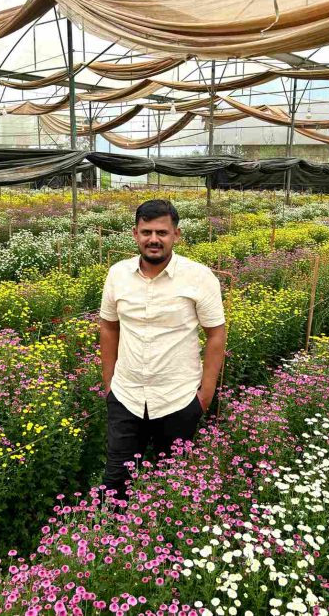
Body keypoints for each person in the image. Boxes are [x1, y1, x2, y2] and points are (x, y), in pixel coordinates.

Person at [99, 199, 226, 501]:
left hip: (178, 400)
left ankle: (162, 543)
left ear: (176, 235)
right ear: (135, 234)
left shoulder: (198, 277)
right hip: (127, 397)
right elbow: (108, 326)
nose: (153, 239)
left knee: (171, 485)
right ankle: (113, 539)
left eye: (162, 232)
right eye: (146, 232)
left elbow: (216, 335)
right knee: (116, 482)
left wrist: (204, 397)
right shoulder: (118, 274)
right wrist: (109, 385)